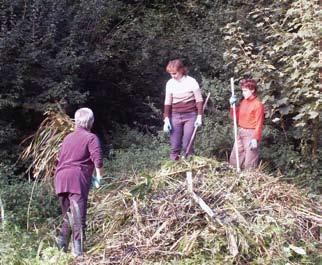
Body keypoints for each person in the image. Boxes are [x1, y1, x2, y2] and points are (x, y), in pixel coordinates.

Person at [54, 107, 104, 256]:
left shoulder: (67, 138)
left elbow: (61, 158)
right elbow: (98, 160)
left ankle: (60, 249)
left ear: (76, 121)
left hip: (60, 179)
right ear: (90, 122)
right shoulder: (91, 138)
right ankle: (78, 253)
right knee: (78, 218)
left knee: (68, 216)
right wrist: (99, 177)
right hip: (76, 179)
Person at [163, 59, 203, 160]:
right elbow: (167, 103)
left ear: (181, 70)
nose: (172, 76)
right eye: (170, 74)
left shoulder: (191, 81)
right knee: (175, 146)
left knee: (187, 145)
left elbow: (199, 100)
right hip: (175, 116)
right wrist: (166, 119)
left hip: (190, 116)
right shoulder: (170, 83)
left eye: (174, 73)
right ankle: (174, 168)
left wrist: (199, 116)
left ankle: (189, 167)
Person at [229, 79, 264, 170]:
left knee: (250, 162)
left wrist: (255, 138)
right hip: (241, 132)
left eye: (245, 91)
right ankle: (233, 177)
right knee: (234, 159)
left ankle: (249, 181)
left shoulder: (257, 104)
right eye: (242, 91)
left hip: (251, 134)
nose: (243, 93)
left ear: (252, 90)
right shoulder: (243, 102)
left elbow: (259, 123)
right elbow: (235, 117)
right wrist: (232, 106)